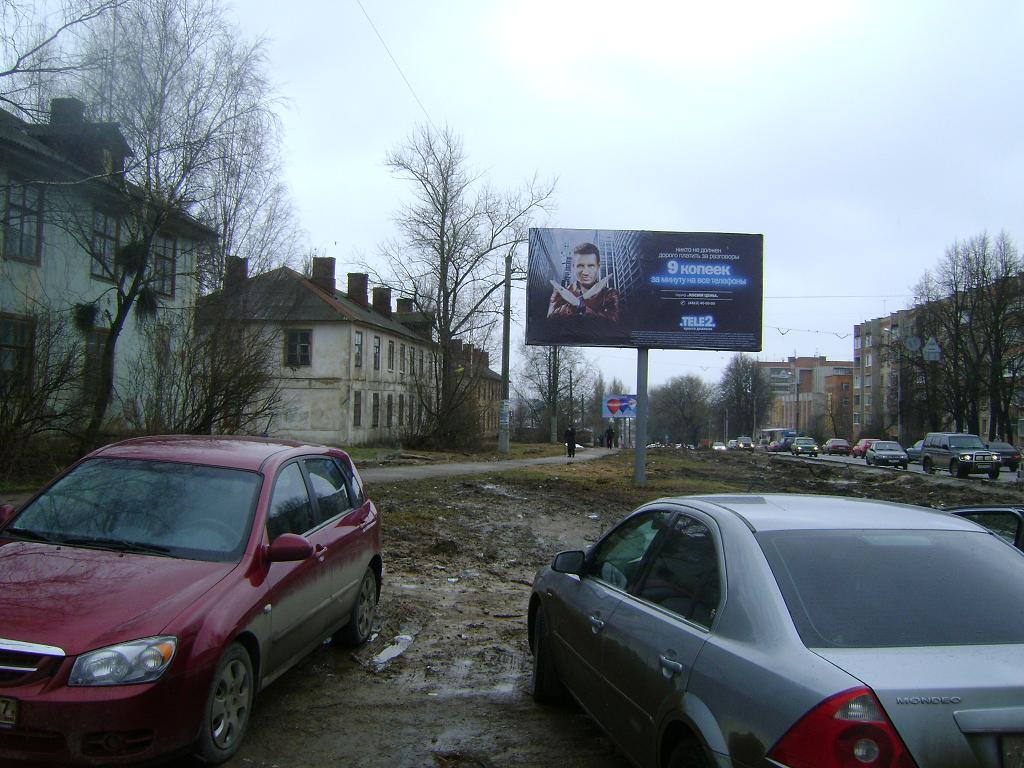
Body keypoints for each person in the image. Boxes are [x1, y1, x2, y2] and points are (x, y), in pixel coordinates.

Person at [547, 242, 621, 321]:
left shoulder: (610, 294)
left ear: (598, 267)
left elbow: (612, 324)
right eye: (580, 266)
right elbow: (550, 323)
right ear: (573, 267)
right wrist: (581, 301)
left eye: (591, 266)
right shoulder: (559, 294)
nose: (585, 272)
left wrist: (578, 303)